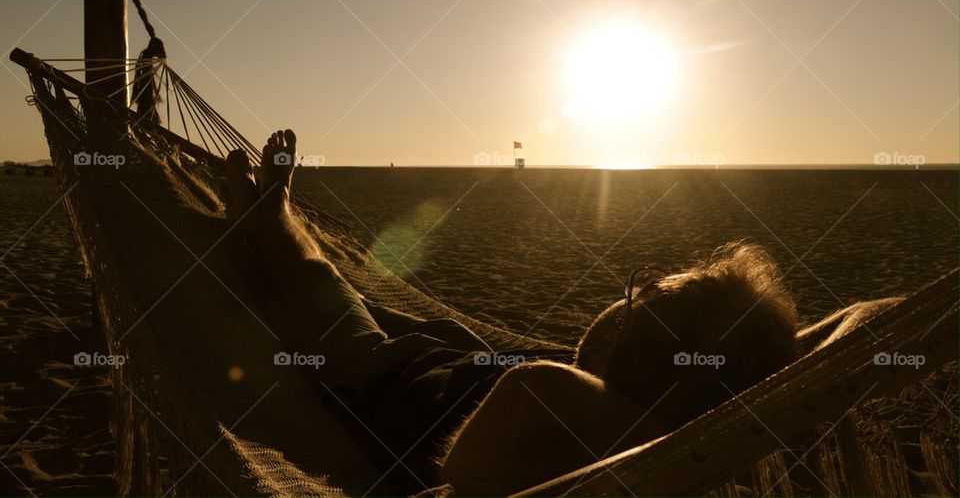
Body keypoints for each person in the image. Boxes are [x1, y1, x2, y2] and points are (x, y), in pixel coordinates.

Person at [220, 130, 882, 495]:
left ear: (627, 339)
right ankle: (282, 236)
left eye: (641, 292)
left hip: (388, 380)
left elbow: (527, 391)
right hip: (460, 356)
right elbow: (866, 315)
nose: (628, 294)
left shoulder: (581, 416)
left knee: (326, 290)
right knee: (377, 302)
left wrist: (657, 430)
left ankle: (272, 216)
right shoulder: (629, 402)